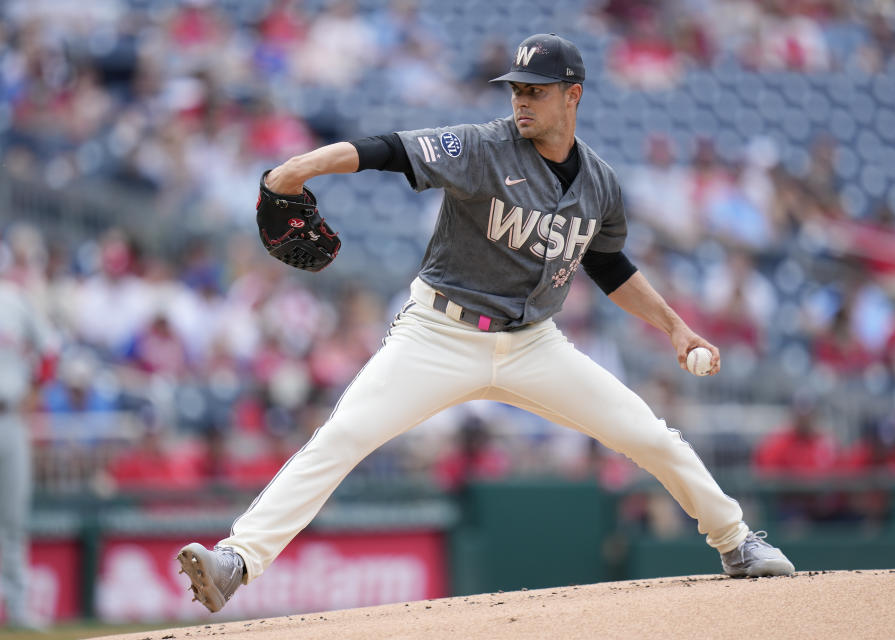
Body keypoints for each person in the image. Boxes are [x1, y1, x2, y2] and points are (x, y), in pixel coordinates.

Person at [177, 33, 795, 613]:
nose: (522, 100)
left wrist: (675, 327)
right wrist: (296, 170)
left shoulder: (601, 184)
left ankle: (736, 542)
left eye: (536, 90)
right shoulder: (483, 146)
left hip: (534, 345)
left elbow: (609, 268)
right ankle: (237, 559)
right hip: (437, 335)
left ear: (572, 95)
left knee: (652, 436)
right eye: (517, 89)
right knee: (342, 438)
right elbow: (388, 149)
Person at [0, 266, 57, 630]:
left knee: (13, 518)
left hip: (9, 415)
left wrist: (33, 394)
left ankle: (18, 607)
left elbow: (50, 351)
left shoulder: (14, 299)